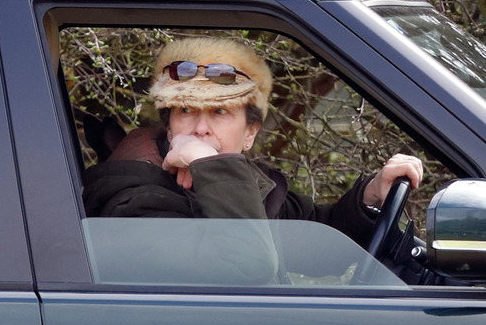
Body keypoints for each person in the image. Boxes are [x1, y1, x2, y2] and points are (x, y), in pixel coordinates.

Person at [82, 37, 423, 249]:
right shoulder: (133, 202)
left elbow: (317, 237)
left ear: (250, 134)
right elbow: (246, 268)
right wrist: (210, 163)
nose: (201, 129)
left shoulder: (248, 183)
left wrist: (370, 195)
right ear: (169, 127)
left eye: (219, 112)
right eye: (185, 110)